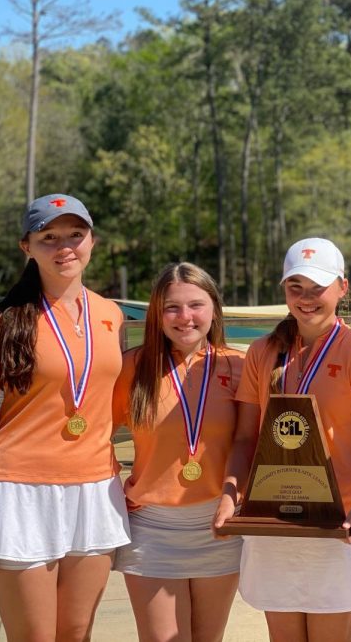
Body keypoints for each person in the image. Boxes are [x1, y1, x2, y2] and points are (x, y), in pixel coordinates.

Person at [0, 194, 130, 640]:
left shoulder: (111, 316)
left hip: (95, 489)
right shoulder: (0, 324)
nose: (65, 247)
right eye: (49, 237)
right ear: (27, 247)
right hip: (21, 492)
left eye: (76, 235)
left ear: (92, 240)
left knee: (76, 632)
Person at [213, 237, 351, 642]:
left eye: (318, 289)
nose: (306, 299)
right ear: (284, 290)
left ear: (342, 288)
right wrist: (229, 494)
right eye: (296, 288)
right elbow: (245, 438)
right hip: (272, 521)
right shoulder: (263, 351)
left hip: (336, 524)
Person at [111, 262, 244, 641]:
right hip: (151, 528)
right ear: (157, 313)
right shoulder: (132, 368)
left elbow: (254, 443)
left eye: (196, 305)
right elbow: (95, 435)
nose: (185, 317)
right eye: (172, 307)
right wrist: (109, 487)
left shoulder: (239, 366)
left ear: (214, 309)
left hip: (219, 527)